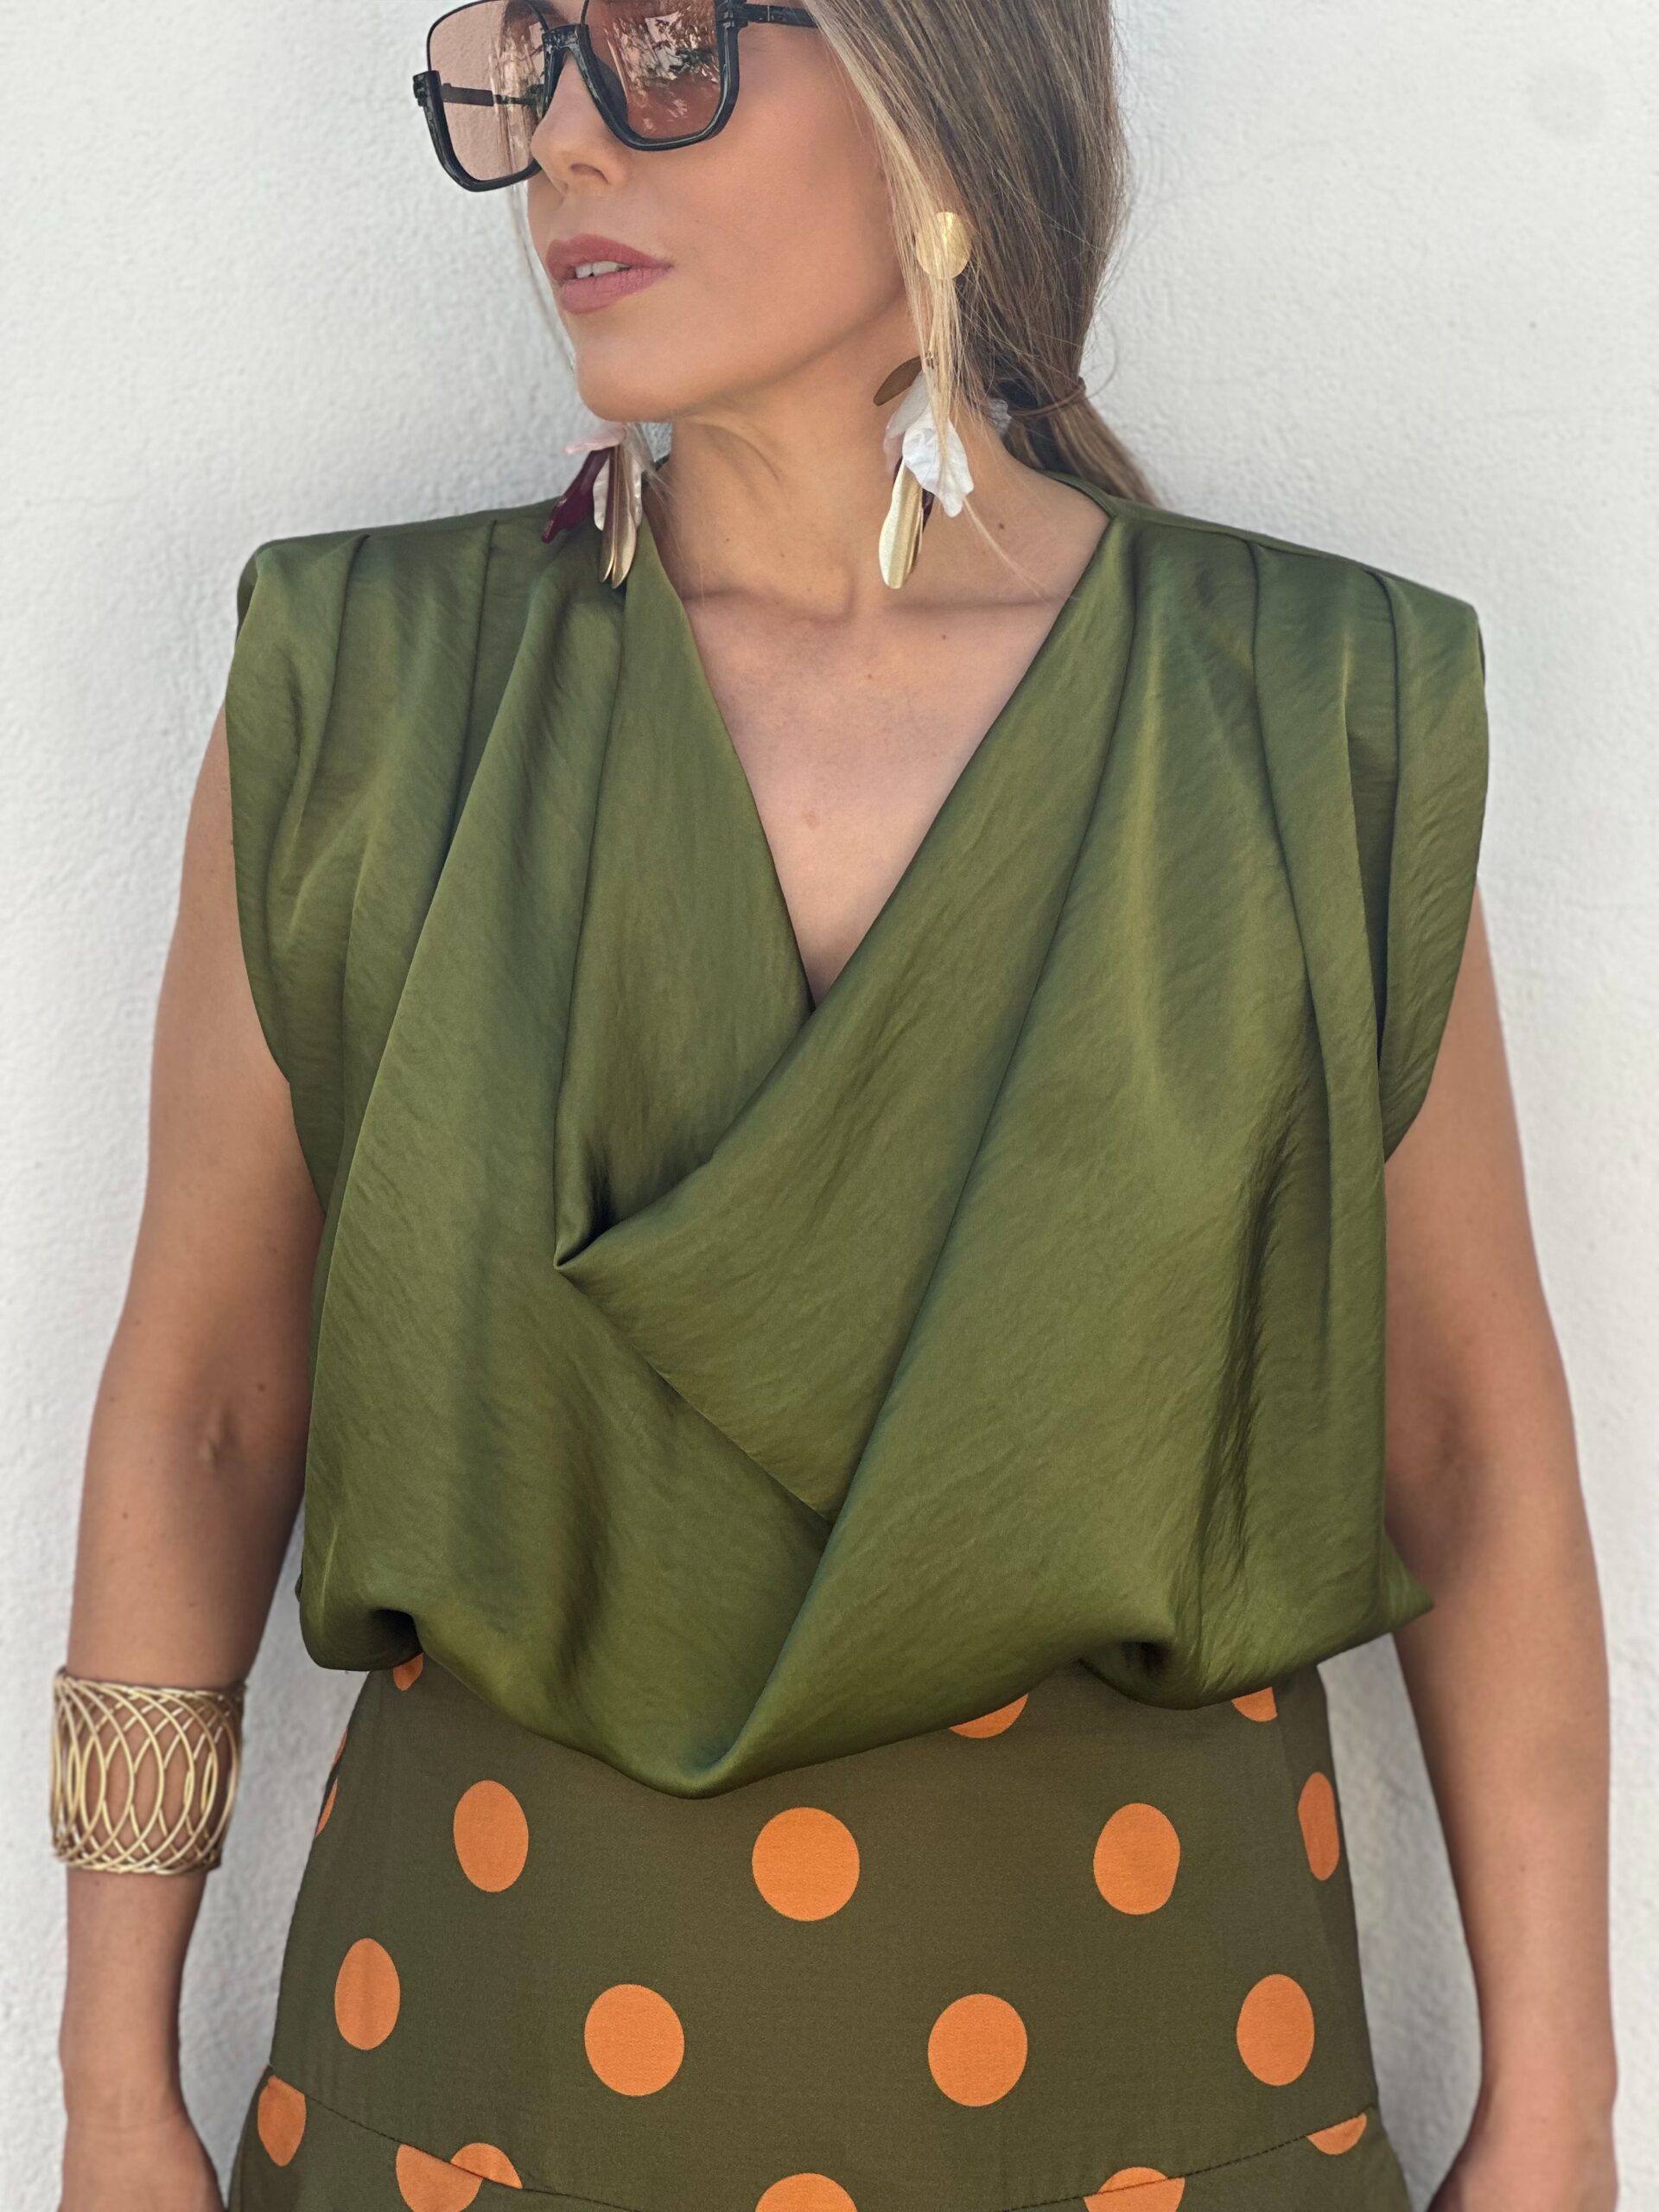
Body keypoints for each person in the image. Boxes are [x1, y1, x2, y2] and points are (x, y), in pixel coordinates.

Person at [53, 0, 1618, 2207]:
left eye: (663, 43)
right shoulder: (367, 703)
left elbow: (1467, 1444)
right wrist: (110, 2087)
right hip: (475, 2107)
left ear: (941, 87)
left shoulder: (1304, 724)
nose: (568, 143)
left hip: (1165, 2117)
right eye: (531, 55)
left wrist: (1558, 2112)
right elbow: (208, 1411)